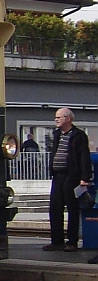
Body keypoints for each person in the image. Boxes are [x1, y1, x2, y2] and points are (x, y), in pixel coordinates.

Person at [44, 108, 91, 252]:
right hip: (57, 176)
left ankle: (72, 241)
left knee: (72, 209)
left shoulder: (78, 135)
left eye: (59, 117)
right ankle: (57, 241)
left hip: (71, 177)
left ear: (68, 118)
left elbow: (84, 156)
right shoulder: (57, 134)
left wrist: (84, 177)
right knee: (55, 209)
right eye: (56, 117)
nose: (56, 120)